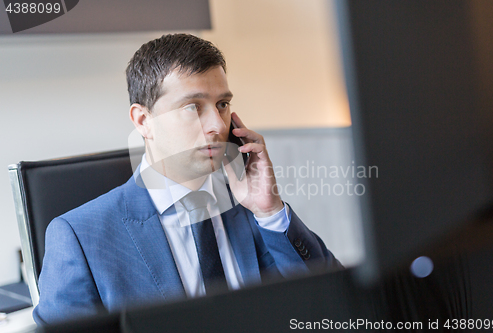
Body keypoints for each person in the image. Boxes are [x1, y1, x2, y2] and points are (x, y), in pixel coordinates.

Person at [33, 34, 342, 325]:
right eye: (192, 106)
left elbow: (334, 304)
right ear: (144, 121)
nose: (216, 126)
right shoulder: (80, 238)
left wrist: (269, 211)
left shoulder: (251, 208)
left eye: (222, 105)